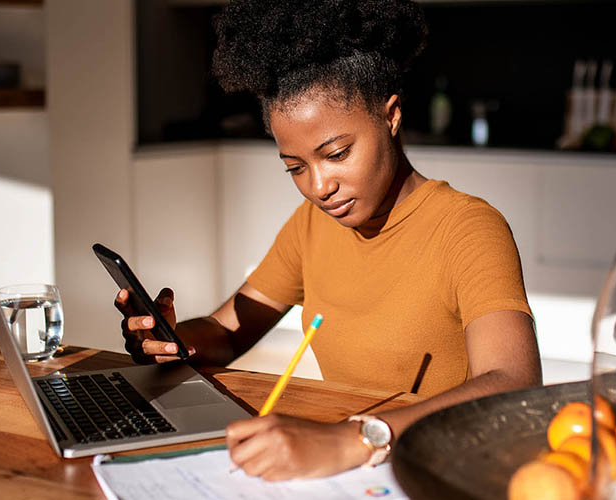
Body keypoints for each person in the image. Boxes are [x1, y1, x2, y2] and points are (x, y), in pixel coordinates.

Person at [114, 0, 540, 481]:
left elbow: (514, 382)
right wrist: (174, 340)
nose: (318, 187)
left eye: (336, 153)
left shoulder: (468, 228)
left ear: (391, 117)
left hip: (435, 470)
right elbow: (227, 331)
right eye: (294, 167)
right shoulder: (313, 225)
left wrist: (352, 438)